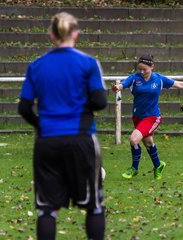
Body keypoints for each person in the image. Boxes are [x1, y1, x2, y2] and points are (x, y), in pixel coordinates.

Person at [18, 12, 107, 240]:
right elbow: (100, 102)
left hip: (47, 141)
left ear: (51, 35)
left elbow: (25, 108)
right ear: (76, 34)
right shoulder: (88, 63)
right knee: (93, 205)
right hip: (81, 139)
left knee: (47, 208)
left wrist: (41, 125)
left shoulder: (36, 65)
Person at [112, 54, 183, 180]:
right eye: (139, 68)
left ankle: (134, 168)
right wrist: (116, 88)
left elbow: (178, 84)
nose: (142, 71)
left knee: (134, 139)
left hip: (152, 117)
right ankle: (158, 165)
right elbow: (122, 85)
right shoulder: (135, 78)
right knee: (148, 142)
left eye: (145, 69)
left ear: (152, 67)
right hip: (137, 116)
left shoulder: (159, 79)